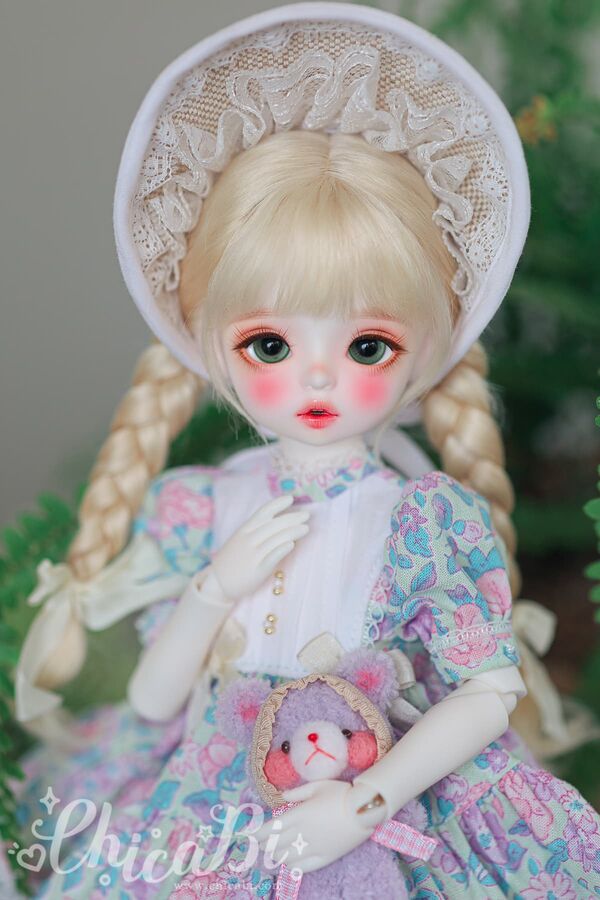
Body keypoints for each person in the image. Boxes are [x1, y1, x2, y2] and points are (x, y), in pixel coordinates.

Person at [11, 4, 599, 898]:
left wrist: (364, 806)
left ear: (426, 350)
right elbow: (153, 703)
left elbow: (488, 693)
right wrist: (212, 591)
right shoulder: (204, 503)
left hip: (385, 783)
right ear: (209, 344)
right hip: (218, 796)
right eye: (270, 345)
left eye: (367, 346)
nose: (317, 377)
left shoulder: (421, 519)